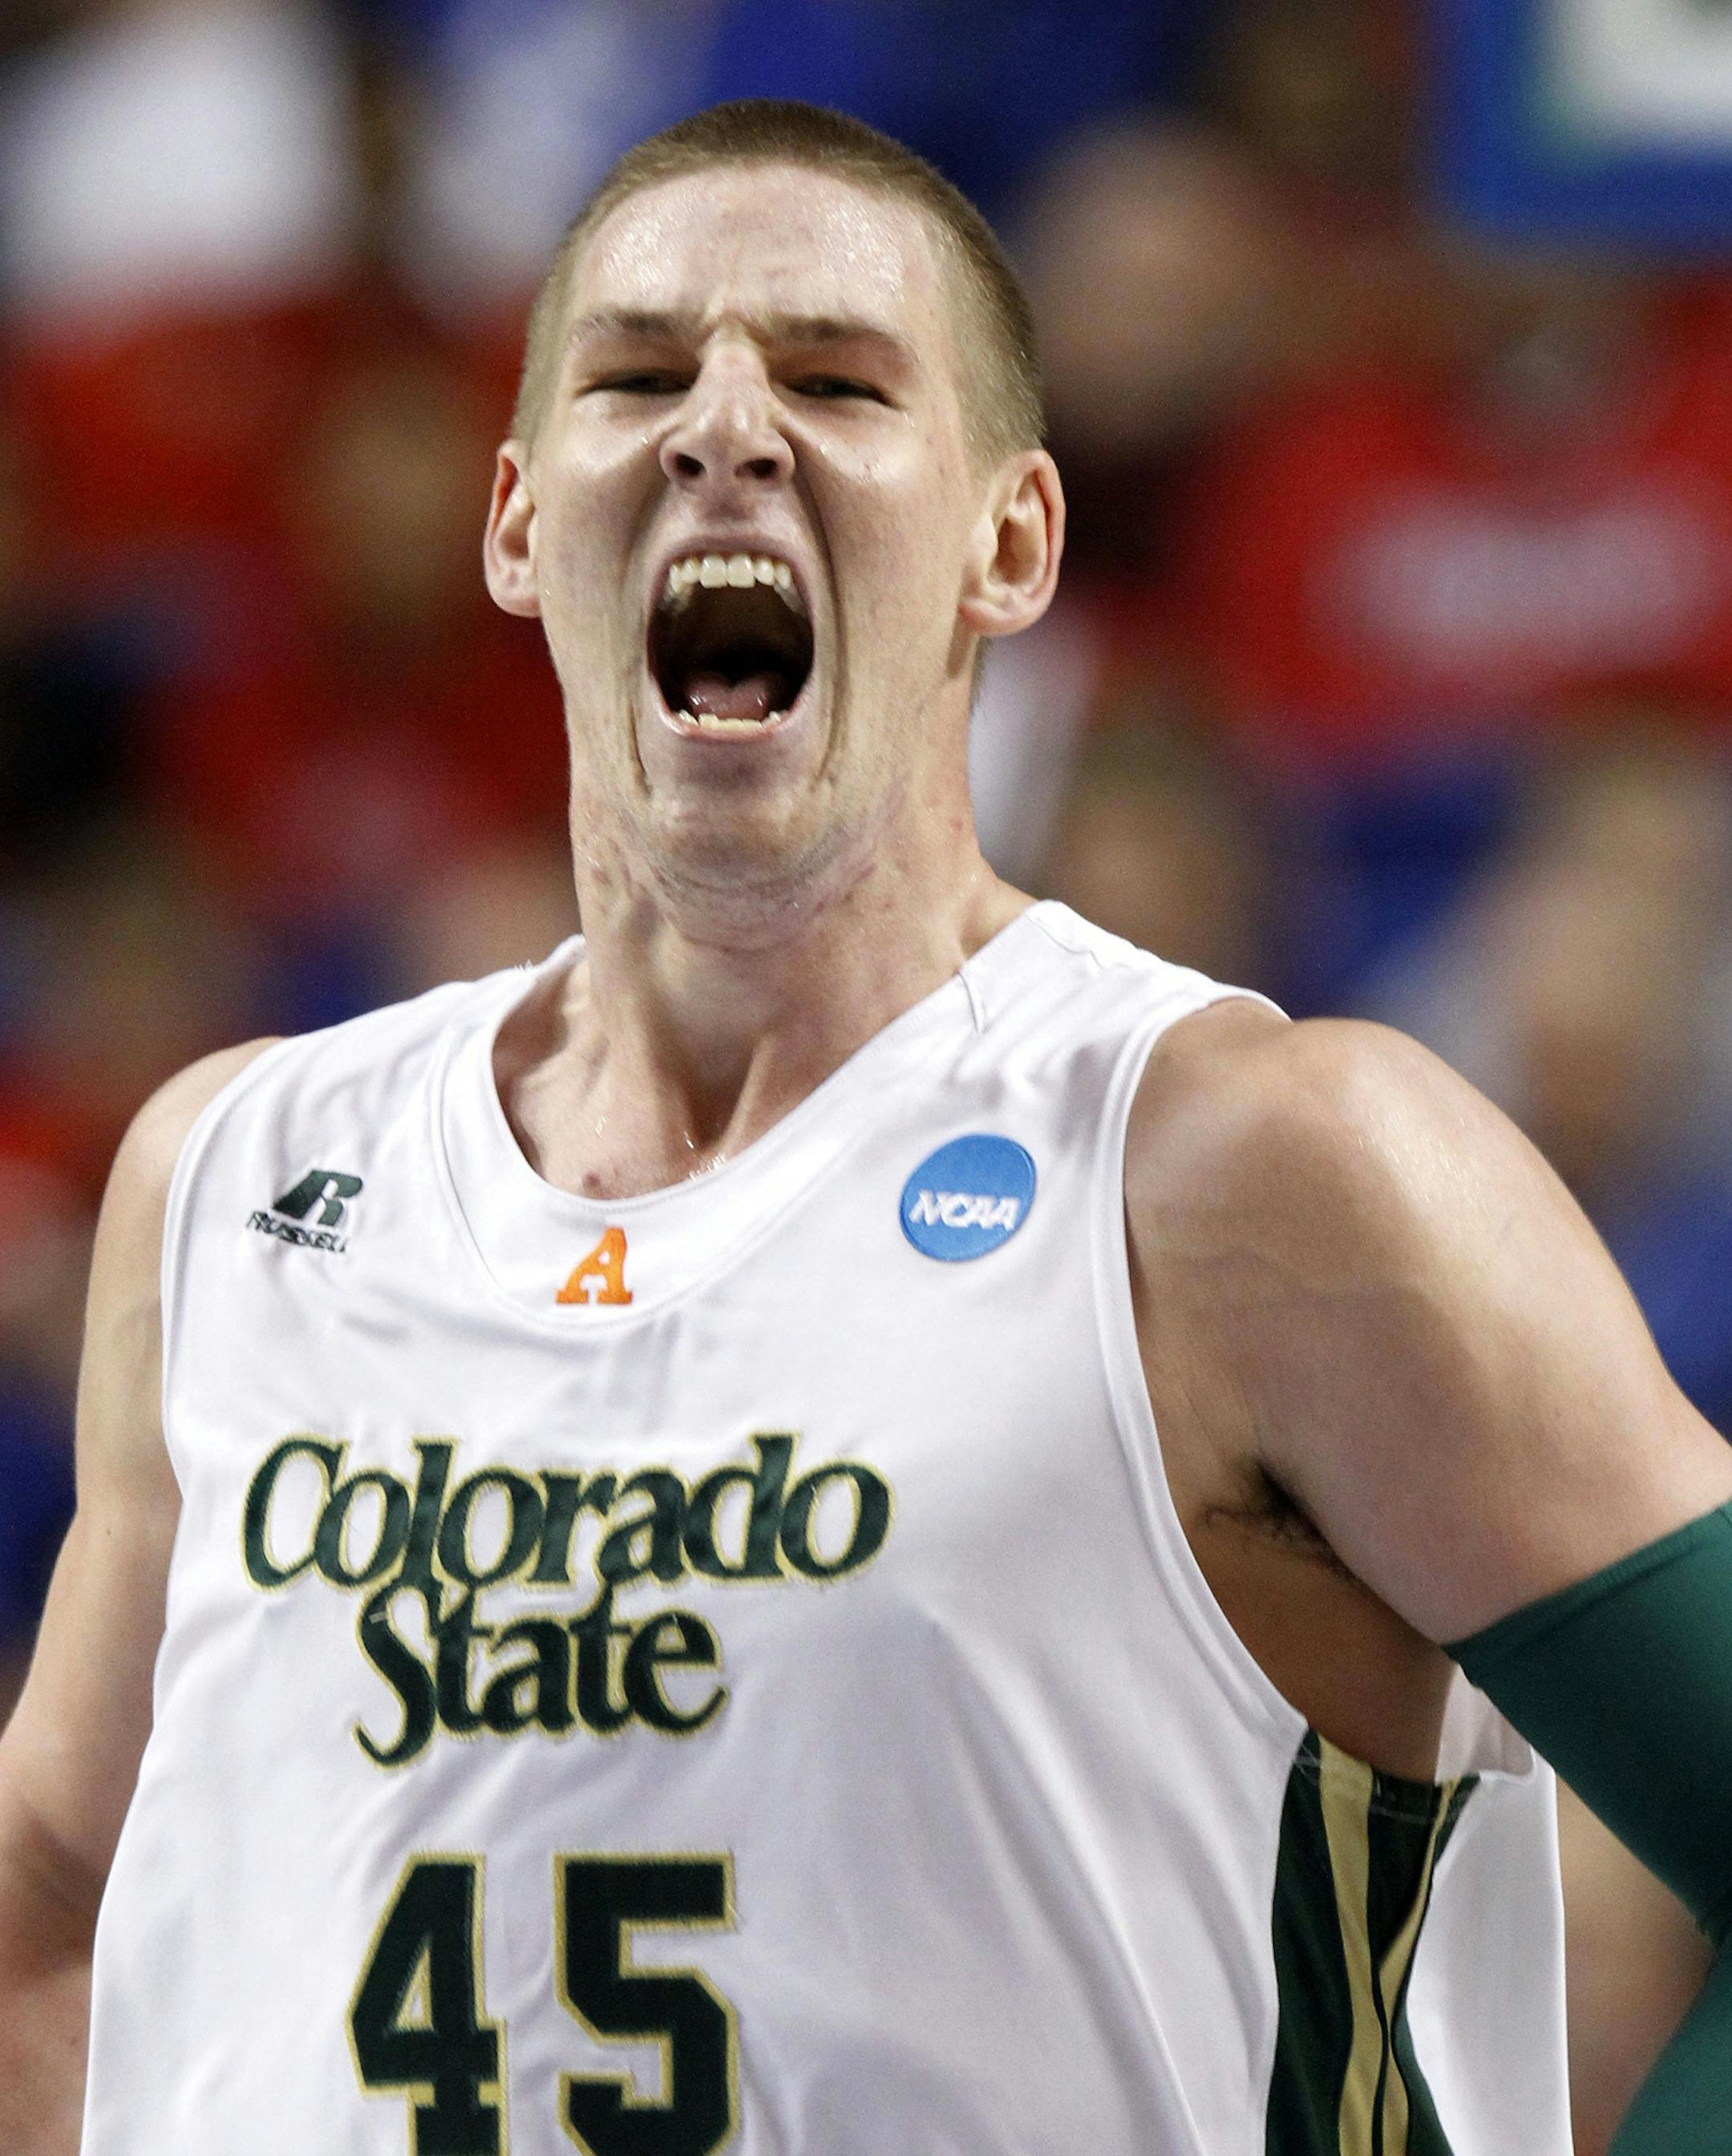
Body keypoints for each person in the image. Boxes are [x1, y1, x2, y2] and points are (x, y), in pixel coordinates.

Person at [1, 98, 1729, 2156]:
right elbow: (53, 1905)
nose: (725, 426)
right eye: (638, 375)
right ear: (517, 525)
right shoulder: (233, 1181)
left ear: (1014, 543)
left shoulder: (1260, 1168)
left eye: (834, 380)